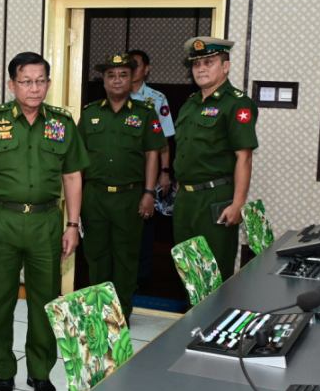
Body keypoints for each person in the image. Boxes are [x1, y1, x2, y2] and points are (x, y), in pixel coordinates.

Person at [0, 52, 88, 391]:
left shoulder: (62, 122)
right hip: (1, 220)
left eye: (40, 81)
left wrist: (72, 224)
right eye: (26, 81)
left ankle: (40, 372)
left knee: (44, 301)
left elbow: (73, 176)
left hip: (46, 223)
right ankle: (3, 372)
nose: (34, 88)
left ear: (49, 83)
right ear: (12, 84)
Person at [79, 54, 164, 320]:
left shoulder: (145, 113)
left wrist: (149, 193)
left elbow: (153, 153)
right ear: (103, 81)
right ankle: (99, 312)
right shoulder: (90, 113)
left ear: (132, 79)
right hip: (94, 196)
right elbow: (77, 160)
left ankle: (121, 313)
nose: (117, 80)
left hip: (130, 197)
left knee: (126, 259)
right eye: (111, 75)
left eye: (123, 75)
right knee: (96, 257)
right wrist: (75, 200)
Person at [171, 36, 258, 281]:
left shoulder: (237, 104)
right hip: (186, 199)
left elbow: (244, 157)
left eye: (209, 62)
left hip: (215, 198)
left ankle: (215, 310)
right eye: (196, 64)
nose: (201, 69)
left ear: (225, 66)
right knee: (189, 272)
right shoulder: (190, 104)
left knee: (214, 272)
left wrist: (238, 204)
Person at [127, 48, 175, 286]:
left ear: (146, 69)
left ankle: (142, 277)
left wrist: (165, 172)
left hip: (149, 171)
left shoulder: (156, 98)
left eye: (136, 64)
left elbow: (164, 139)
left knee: (145, 223)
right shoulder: (117, 93)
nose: (132, 69)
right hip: (123, 173)